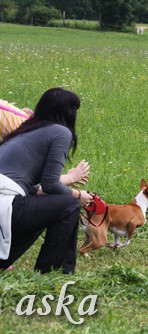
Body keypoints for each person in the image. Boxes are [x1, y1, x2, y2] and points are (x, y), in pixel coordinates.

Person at [0, 87, 94, 274]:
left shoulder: (25, 130)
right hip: (5, 203)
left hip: (7, 200)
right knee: (68, 205)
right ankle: (53, 273)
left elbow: (32, 188)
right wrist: (77, 195)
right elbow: (51, 183)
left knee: (49, 207)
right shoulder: (60, 132)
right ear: (69, 112)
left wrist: (67, 184)